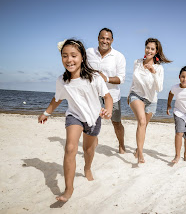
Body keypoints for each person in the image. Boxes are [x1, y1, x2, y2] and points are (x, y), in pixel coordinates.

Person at [38, 39, 113, 202]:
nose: (69, 59)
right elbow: (57, 99)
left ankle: (87, 168)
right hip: (74, 116)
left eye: (73, 55)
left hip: (93, 118)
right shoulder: (62, 80)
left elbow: (107, 96)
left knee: (88, 150)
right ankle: (68, 189)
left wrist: (108, 110)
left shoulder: (94, 77)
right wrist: (46, 113)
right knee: (70, 147)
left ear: (82, 57)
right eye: (65, 56)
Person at [128, 38, 172, 163]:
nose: (149, 50)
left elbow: (159, 88)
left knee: (143, 126)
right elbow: (133, 80)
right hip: (136, 95)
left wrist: (153, 72)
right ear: (145, 48)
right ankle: (141, 154)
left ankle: (138, 149)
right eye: (148, 47)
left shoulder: (159, 68)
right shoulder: (137, 62)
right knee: (142, 122)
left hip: (151, 100)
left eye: (152, 49)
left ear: (156, 51)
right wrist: (129, 94)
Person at [87, 28, 126, 154]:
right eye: (102, 38)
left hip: (112, 94)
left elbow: (121, 79)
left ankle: (121, 144)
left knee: (116, 122)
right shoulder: (89, 52)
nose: (105, 41)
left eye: (108, 39)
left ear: (112, 40)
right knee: (93, 121)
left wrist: (106, 78)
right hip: (94, 94)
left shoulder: (119, 56)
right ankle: (93, 144)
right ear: (98, 38)